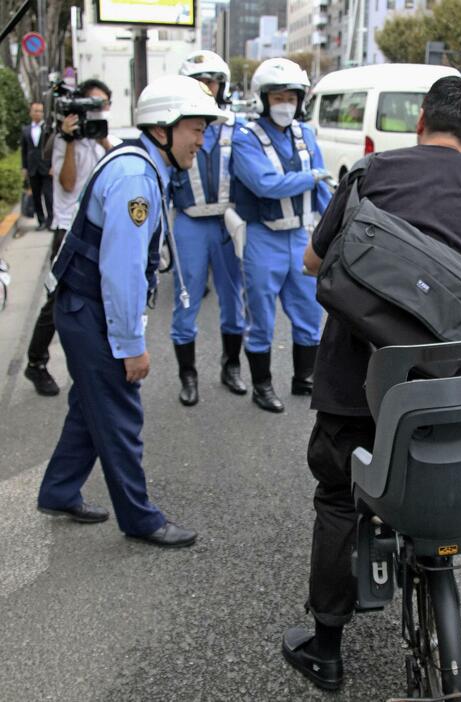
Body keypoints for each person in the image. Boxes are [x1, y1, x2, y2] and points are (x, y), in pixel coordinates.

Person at [281, 76, 461, 689]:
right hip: (457, 393)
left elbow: (314, 263)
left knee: (340, 495)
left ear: (421, 120)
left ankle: (327, 647)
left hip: (355, 382)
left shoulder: (370, 173)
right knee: (448, 459)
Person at [37, 76, 227, 547]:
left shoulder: (142, 163)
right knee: (121, 413)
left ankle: (58, 491)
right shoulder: (136, 178)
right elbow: (120, 272)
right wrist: (131, 347)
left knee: (89, 406)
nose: (201, 143)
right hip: (91, 311)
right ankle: (140, 519)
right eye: (196, 131)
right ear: (163, 129)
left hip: (83, 305)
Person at [232, 58, 333, 413]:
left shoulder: (305, 134)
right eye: (277, 97)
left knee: (308, 312)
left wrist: (339, 219)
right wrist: (313, 177)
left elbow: (322, 192)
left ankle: (304, 378)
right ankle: (262, 386)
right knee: (261, 316)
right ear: (262, 99)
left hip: (301, 236)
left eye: (291, 96)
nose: (285, 103)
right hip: (264, 237)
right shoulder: (245, 137)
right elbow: (264, 185)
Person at [24, 79, 119, 397]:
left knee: (101, 298)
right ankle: (36, 362)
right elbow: (66, 186)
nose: (97, 110)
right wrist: (69, 139)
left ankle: (98, 363)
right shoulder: (64, 141)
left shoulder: (107, 139)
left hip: (100, 230)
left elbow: (118, 173)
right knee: (56, 301)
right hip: (69, 230)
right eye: (91, 104)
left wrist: (102, 141)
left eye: (102, 104)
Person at [170, 50, 246, 406]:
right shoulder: (174, 124)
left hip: (228, 223)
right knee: (186, 301)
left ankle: (231, 366)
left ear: (222, 85)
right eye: (199, 82)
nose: (206, 87)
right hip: (190, 223)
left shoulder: (236, 125)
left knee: (234, 299)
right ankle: (188, 375)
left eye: (211, 81)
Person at [21, 101, 53, 231]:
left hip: (46, 167)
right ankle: (41, 221)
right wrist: (24, 167)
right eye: (35, 110)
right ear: (30, 112)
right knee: (36, 196)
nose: (38, 113)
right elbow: (24, 149)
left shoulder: (48, 128)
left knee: (48, 195)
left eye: (40, 111)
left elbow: (53, 149)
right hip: (32, 167)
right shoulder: (25, 129)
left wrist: (53, 165)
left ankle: (51, 220)